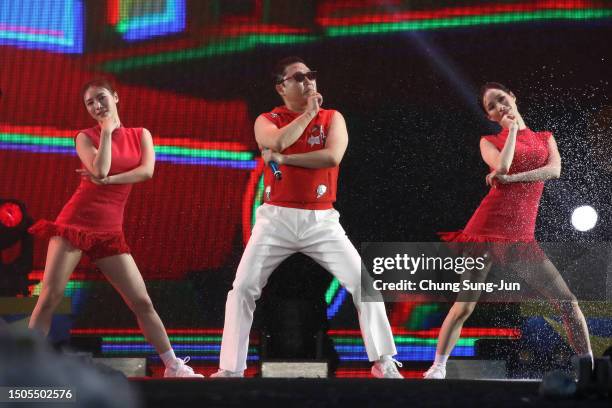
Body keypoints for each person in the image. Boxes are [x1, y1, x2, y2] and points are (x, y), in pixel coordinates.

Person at [211, 57, 402, 378]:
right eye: (298, 78)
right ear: (281, 87)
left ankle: (383, 361)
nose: (308, 82)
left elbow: (332, 156)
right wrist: (305, 118)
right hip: (276, 220)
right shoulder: (267, 119)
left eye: (310, 75)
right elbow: (277, 139)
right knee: (242, 288)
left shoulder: (333, 118)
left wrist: (284, 158)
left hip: (321, 220)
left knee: (363, 284)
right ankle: (230, 368)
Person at [28, 79, 202, 378]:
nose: (97, 106)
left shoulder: (140, 134)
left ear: (116, 97)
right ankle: (23, 366)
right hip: (76, 223)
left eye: (101, 98)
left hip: (109, 230)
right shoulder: (85, 136)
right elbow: (99, 169)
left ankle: (173, 365)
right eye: (90, 103)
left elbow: (146, 172)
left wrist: (108, 181)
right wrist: (107, 133)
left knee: (141, 300)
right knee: (51, 296)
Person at [423, 82, 593, 379]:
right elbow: (501, 168)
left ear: (513, 97)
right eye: (492, 106)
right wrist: (512, 132)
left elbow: (554, 170)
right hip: (485, 230)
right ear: (490, 115)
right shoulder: (489, 140)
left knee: (568, 302)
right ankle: (438, 367)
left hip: (522, 237)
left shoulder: (544, 138)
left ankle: (590, 369)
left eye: (502, 99)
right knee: (464, 306)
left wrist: (514, 179)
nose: (500, 107)